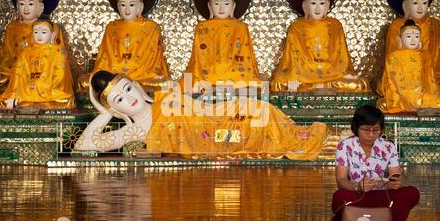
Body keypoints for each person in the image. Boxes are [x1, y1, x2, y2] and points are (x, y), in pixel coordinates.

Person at [74, 70, 327, 160]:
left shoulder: (163, 96)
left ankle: (312, 139)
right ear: (117, 109)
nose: (129, 97)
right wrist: (103, 113)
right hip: (218, 138)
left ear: (138, 86)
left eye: (128, 88)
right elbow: (82, 147)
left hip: (227, 114)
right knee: (262, 132)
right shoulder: (135, 130)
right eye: (119, 100)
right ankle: (317, 140)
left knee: (264, 111)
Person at [271, 0, 370, 93]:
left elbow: (342, 57)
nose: (317, 9)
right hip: (304, 74)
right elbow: (291, 59)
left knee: (361, 85)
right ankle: (321, 85)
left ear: (328, 6)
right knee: (279, 84)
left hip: (332, 73)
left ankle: (317, 86)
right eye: (313, 3)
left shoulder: (335, 25)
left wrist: (346, 73)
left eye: (322, 3)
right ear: (304, 6)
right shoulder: (296, 27)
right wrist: (292, 77)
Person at [78, 0, 169, 92]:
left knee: (162, 84)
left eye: (132, 5)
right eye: (122, 5)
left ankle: (122, 84)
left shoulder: (151, 27)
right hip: (113, 75)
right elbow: (105, 58)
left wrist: (127, 72)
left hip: (142, 76)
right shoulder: (111, 27)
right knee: (84, 82)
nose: (127, 10)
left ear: (140, 7)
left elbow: (151, 61)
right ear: (117, 6)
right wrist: (117, 74)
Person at [331, 105, 420, 221]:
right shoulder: (345, 146)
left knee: (412, 192)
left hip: (382, 196)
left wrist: (394, 184)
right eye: (366, 129)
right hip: (357, 196)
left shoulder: (389, 147)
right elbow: (341, 181)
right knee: (339, 196)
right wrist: (357, 186)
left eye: (376, 129)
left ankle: (364, 220)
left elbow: (396, 178)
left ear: (381, 129)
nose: (371, 134)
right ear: (356, 128)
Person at [179, 0, 263, 92]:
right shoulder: (202, 27)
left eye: (227, 3)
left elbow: (245, 56)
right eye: (216, 3)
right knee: (195, 80)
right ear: (209, 7)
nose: (222, 8)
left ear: (233, 6)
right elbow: (200, 56)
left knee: (247, 80)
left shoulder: (241, 27)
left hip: (236, 70)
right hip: (208, 70)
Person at [0, 0, 68, 93]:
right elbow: (5, 53)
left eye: (31, 4)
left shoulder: (51, 27)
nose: (26, 8)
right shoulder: (12, 27)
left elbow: (58, 54)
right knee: (1, 81)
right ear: (17, 6)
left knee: (50, 80)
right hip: (15, 71)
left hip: (42, 71)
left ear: (40, 7)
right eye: (22, 4)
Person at [379, 0, 439, 95]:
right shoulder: (397, 25)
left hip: (433, 77)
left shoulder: (435, 25)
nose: (420, 7)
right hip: (405, 78)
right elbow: (393, 59)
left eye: (424, 2)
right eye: (415, 2)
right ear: (405, 5)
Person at [0, 18, 74, 109]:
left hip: (50, 93)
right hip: (28, 91)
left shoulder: (58, 53)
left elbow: (59, 78)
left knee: (65, 100)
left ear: (53, 34)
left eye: (44, 32)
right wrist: (24, 89)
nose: (39, 36)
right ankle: (33, 104)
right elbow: (18, 75)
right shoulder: (25, 52)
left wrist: (42, 86)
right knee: (6, 102)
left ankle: (30, 104)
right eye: (36, 32)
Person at [379, 19, 439, 113]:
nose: (413, 40)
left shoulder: (425, 56)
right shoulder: (393, 56)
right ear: (400, 39)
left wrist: (428, 93)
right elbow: (392, 80)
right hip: (402, 93)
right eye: (408, 36)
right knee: (385, 103)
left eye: (416, 36)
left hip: (423, 93)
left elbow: (430, 80)